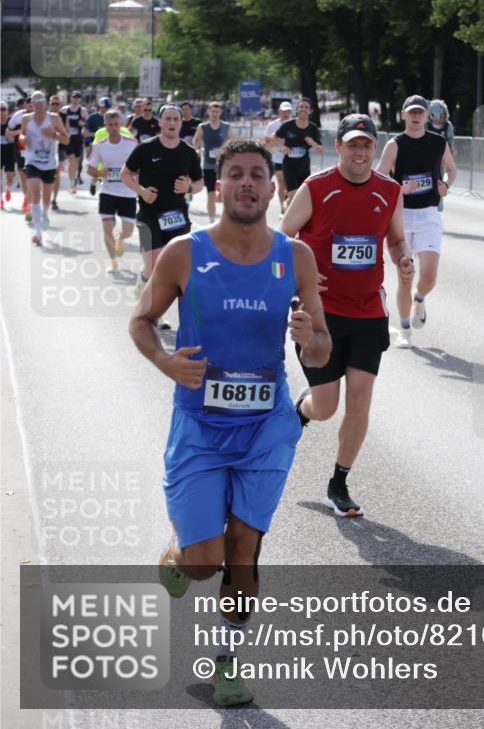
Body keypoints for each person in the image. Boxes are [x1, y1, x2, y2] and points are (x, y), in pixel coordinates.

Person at [128, 138, 330, 706]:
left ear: (272, 187)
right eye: (236, 174)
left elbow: (320, 351)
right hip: (200, 427)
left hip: (266, 428)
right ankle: (180, 552)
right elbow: (141, 320)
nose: (247, 183)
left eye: (257, 175)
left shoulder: (296, 257)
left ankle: (228, 661)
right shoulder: (182, 253)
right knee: (202, 564)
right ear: (219, 187)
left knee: (245, 549)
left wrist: (310, 340)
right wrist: (166, 361)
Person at [280, 114, 414, 517]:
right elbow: (281, 238)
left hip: (369, 313)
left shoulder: (388, 191)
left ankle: (339, 483)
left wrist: (403, 259)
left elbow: (395, 238)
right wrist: (302, 277)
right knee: (325, 407)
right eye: (353, 144)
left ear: (375, 149)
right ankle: (300, 410)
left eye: (367, 145)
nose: (360, 152)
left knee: (360, 402)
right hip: (321, 315)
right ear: (338, 147)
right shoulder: (316, 188)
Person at [377, 94, 456, 349]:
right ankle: (404, 328)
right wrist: (400, 188)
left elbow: (451, 170)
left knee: (429, 276)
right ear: (403, 114)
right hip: (401, 216)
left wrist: (446, 184)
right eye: (411, 112)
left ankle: (419, 299)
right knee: (405, 277)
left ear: (426, 116)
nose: (416, 116)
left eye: (420, 112)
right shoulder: (395, 144)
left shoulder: (438, 142)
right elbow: (379, 179)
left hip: (429, 214)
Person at [121, 105, 204, 323]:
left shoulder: (188, 153)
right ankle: (148, 292)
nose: (172, 123)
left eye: (176, 119)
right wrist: (141, 191)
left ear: (181, 122)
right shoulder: (146, 148)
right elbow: (125, 173)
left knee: (175, 269)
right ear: (160, 122)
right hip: (149, 214)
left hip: (177, 217)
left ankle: (160, 310)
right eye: (167, 118)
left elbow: (200, 183)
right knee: (153, 266)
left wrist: (188, 188)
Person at [87, 110, 139, 272]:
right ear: (105, 126)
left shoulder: (131, 143)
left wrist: (136, 174)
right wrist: (99, 173)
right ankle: (113, 262)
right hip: (108, 191)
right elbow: (90, 169)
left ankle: (120, 239)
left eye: (116, 124)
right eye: (110, 125)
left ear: (120, 124)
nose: (114, 128)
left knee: (128, 231)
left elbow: (140, 166)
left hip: (128, 192)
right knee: (107, 228)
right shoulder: (99, 146)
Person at [20, 91, 69, 245]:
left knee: (46, 198)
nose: (39, 103)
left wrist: (53, 135)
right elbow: (21, 136)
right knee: (35, 193)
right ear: (31, 104)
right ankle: (38, 233)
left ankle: (45, 214)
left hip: (49, 163)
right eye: (36, 101)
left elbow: (66, 139)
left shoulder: (54, 119)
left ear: (46, 103)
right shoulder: (26, 119)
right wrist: (23, 139)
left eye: (42, 100)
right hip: (32, 160)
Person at [268, 98, 324, 206]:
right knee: (294, 195)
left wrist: (313, 143)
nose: (303, 109)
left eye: (306, 107)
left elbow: (321, 151)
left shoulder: (313, 128)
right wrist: (282, 147)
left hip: (304, 167)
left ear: (310, 111)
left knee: (301, 197)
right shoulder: (288, 125)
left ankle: (288, 208)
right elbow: (272, 139)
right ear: (297, 109)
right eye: (301, 107)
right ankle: (289, 209)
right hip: (289, 166)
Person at [192, 101, 230, 224]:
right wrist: (197, 149)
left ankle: (226, 220)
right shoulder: (203, 127)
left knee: (224, 195)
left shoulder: (226, 127)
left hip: (223, 166)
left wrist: (224, 150)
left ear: (221, 113)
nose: (215, 114)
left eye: (217, 112)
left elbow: (232, 143)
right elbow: (196, 141)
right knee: (211, 195)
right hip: (208, 166)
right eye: (212, 111)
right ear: (208, 112)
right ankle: (212, 221)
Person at [263, 101, 293, 213]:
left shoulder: (295, 124)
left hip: (293, 159)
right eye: (284, 111)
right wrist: (280, 146)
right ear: (279, 111)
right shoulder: (272, 125)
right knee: (282, 183)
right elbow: (266, 142)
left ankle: (288, 205)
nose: (286, 114)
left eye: (288, 111)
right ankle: (282, 208)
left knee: (290, 185)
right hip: (277, 159)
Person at [84, 97, 113, 196]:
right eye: (105, 107)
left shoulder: (112, 118)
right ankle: (94, 182)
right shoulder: (92, 118)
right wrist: (96, 134)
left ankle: (102, 184)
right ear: (100, 107)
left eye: (108, 107)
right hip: (95, 147)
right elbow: (84, 132)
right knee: (96, 167)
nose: (107, 109)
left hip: (110, 146)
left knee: (108, 167)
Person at [61, 91, 87, 193]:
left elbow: (86, 124)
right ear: (70, 98)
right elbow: (60, 122)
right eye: (74, 97)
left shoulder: (83, 110)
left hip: (78, 139)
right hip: (68, 138)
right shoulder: (65, 110)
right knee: (71, 160)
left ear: (80, 99)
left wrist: (83, 123)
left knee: (76, 161)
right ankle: (72, 183)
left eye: (77, 97)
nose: (75, 99)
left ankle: (73, 180)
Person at [0, 102, 16, 208]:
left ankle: (7, 189)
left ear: (7, 111)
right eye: (0, 109)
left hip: (10, 151)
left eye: (3, 109)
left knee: (9, 177)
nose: (1, 112)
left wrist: (10, 135)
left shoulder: (12, 122)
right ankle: (0, 199)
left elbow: (15, 137)